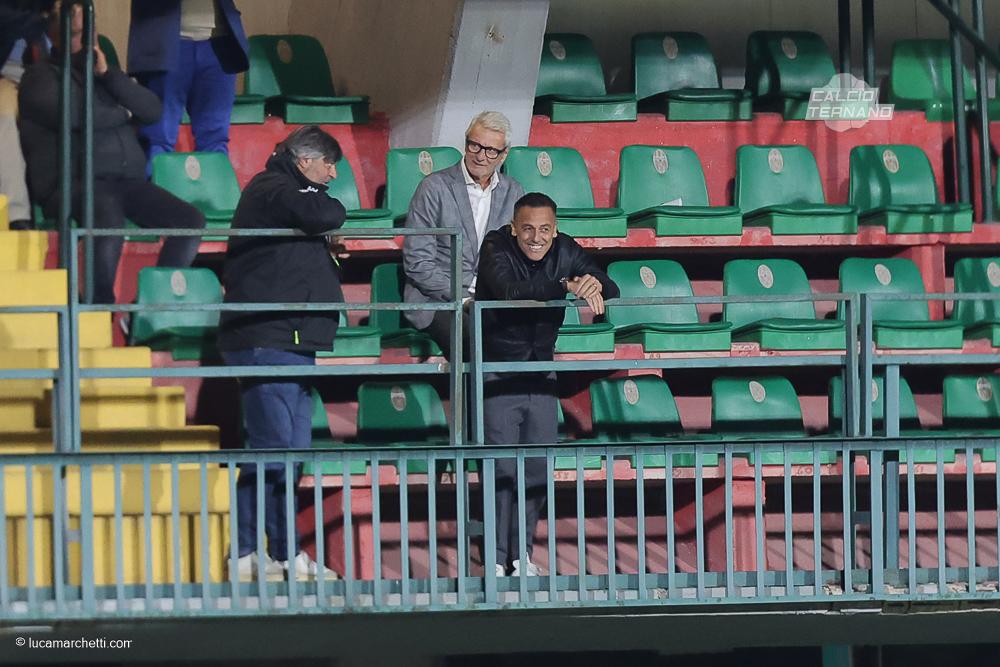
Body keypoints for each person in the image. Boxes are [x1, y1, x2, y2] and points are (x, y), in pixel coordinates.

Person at [217, 125, 346, 582]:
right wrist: (329, 216)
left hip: (290, 339)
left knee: (287, 451)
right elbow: (322, 212)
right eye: (329, 163)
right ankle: (260, 552)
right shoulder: (273, 185)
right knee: (275, 451)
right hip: (268, 338)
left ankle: (267, 552)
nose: (332, 174)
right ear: (305, 160)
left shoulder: (282, 191)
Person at [17, 0, 205, 303]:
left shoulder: (106, 76)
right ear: (52, 29)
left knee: (190, 220)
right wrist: (125, 113)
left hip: (126, 182)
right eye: (75, 21)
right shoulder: (38, 78)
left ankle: (150, 307)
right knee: (106, 209)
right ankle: (98, 304)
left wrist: (109, 75)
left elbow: (152, 110)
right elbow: (79, 116)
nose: (85, 37)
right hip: (72, 185)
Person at [476, 192, 619, 576]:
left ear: (554, 230)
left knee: (537, 469)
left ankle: (522, 555)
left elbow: (609, 284)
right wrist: (566, 286)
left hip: (541, 372)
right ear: (513, 228)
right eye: (527, 229)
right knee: (501, 469)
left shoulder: (565, 248)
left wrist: (592, 283)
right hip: (497, 371)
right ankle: (494, 558)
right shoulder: (495, 245)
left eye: (544, 230)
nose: (535, 238)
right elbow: (510, 292)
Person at [402, 110, 524, 359]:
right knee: (481, 346)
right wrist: (465, 298)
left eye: (491, 150)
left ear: (504, 154)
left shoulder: (514, 192)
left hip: (491, 300)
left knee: (533, 339)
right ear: (466, 142)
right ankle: (476, 400)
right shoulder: (434, 187)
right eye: (475, 146)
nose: (481, 156)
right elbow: (417, 263)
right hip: (439, 300)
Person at [127, 0, 248, 168]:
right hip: (165, 44)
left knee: (215, 138)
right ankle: (156, 191)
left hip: (219, 44)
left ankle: (213, 192)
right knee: (158, 138)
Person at [0, 0, 51, 229]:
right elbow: (13, 20)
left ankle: (71, 205)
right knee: (5, 116)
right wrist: (44, 17)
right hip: (6, 74)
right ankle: (17, 213)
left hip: (46, 73)